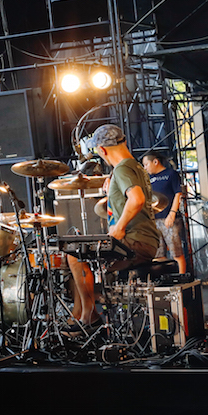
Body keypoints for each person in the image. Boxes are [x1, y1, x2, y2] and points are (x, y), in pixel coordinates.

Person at [68, 124, 162, 328]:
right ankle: (80, 316)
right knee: (80, 255)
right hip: (146, 240)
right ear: (124, 141)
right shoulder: (136, 167)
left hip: (133, 242)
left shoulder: (122, 169)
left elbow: (136, 200)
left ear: (102, 150)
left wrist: (118, 228)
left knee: (74, 257)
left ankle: (89, 317)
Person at [142, 150, 188, 273]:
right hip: (154, 220)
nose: (145, 167)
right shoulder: (147, 179)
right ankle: (162, 277)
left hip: (169, 218)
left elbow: (178, 193)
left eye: (146, 164)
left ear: (155, 162)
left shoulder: (171, 174)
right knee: (158, 253)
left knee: (176, 252)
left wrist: (172, 213)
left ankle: (182, 277)